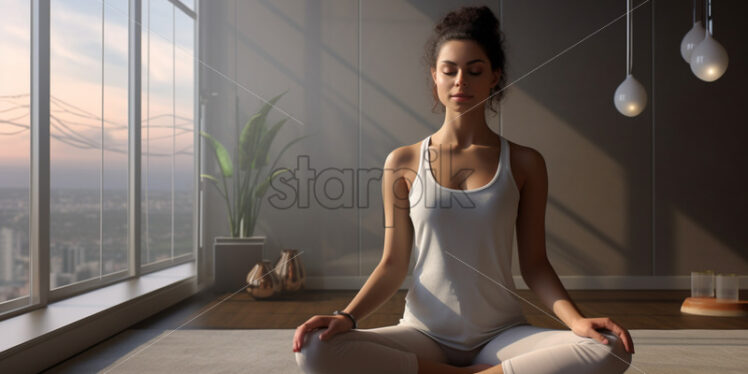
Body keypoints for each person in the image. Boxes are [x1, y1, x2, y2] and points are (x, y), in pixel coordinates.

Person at [293, 5, 634, 374]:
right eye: (449, 71)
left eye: (474, 71)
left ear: (494, 77)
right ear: (434, 77)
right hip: (423, 333)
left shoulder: (524, 162)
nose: (461, 81)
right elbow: (393, 263)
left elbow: (535, 264)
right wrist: (347, 317)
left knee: (611, 348)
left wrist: (577, 322)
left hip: (502, 336)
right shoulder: (403, 162)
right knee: (314, 349)